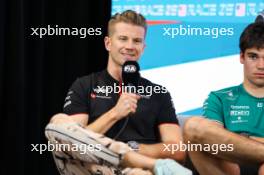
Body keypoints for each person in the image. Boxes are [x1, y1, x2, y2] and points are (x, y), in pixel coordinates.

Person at [47, 10, 187, 175]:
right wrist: (115, 113)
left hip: (137, 170)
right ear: (108, 43)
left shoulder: (158, 92)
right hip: (91, 168)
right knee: (58, 123)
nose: (129, 46)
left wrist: (131, 148)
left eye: (137, 41)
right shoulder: (84, 85)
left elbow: (176, 150)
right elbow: (71, 142)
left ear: (143, 48)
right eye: (123, 39)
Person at [183, 22, 264, 175]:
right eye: (253, 56)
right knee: (193, 126)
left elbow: (222, 140)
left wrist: (237, 138)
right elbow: (211, 140)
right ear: (241, 57)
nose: (261, 65)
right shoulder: (219, 98)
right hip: (228, 167)